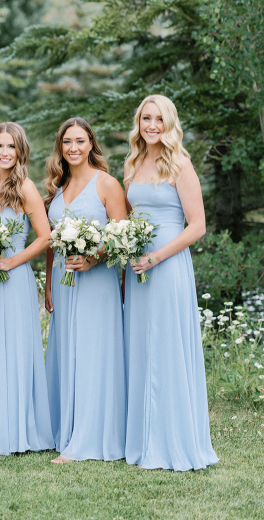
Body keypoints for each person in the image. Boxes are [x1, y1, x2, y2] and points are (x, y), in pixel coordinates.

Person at [123, 94, 219, 471]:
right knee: (143, 347)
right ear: (139, 122)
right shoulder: (132, 164)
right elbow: (129, 216)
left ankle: (174, 440)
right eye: (146, 118)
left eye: (158, 119)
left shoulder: (179, 163)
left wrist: (157, 257)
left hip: (168, 263)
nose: (151, 125)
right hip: (138, 267)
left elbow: (198, 225)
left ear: (169, 123)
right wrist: (126, 248)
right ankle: (146, 437)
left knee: (167, 345)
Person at [44, 118, 127, 464]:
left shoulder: (107, 184)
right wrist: (47, 283)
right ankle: (66, 430)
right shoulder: (57, 187)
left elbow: (122, 236)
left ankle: (90, 438)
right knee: (68, 350)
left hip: (97, 283)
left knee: (93, 353)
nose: (73, 148)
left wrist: (94, 258)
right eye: (67, 142)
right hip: (64, 283)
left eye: (80, 140)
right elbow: (50, 241)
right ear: (60, 147)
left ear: (91, 143)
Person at [0, 122, 54, 455]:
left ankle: (20, 429)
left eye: (10, 147)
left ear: (20, 150)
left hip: (15, 274)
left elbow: (45, 236)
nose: (4, 152)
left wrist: (13, 261)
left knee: (16, 347)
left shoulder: (26, 187)